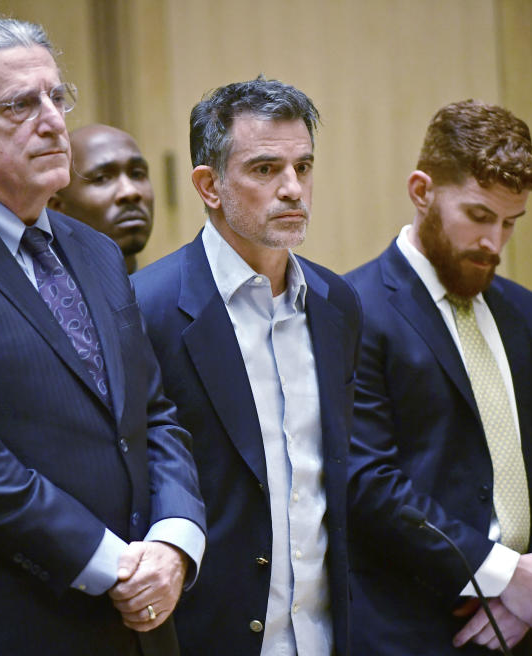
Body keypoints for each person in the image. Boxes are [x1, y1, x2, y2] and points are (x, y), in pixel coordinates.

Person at [0, 18, 206, 656]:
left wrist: (176, 539)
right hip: (16, 617)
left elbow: (153, 413)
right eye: (19, 105)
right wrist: (106, 561)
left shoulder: (93, 249)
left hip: (146, 616)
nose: (52, 120)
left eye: (56, 98)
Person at [345, 99, 532, 655]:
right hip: (413, 628)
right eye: (480, 216)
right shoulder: (351, 311)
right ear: (422, 191)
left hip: (530, 628)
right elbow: (368, 482)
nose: (495, 243)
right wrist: (501, 575)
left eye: (511, 223)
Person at [132, 77, 359, 656]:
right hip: (211, 634)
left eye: (303, 168)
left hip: (330, 634)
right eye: (265, 170)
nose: (293, 190)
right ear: (209, 185)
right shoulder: (146, 307)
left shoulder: (337, 303)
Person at [48, 124, 154, 273]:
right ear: (57, 207)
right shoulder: (44, 294)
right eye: (102, 178)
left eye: (137, 174)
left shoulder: (169, 290)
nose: (130, 192)